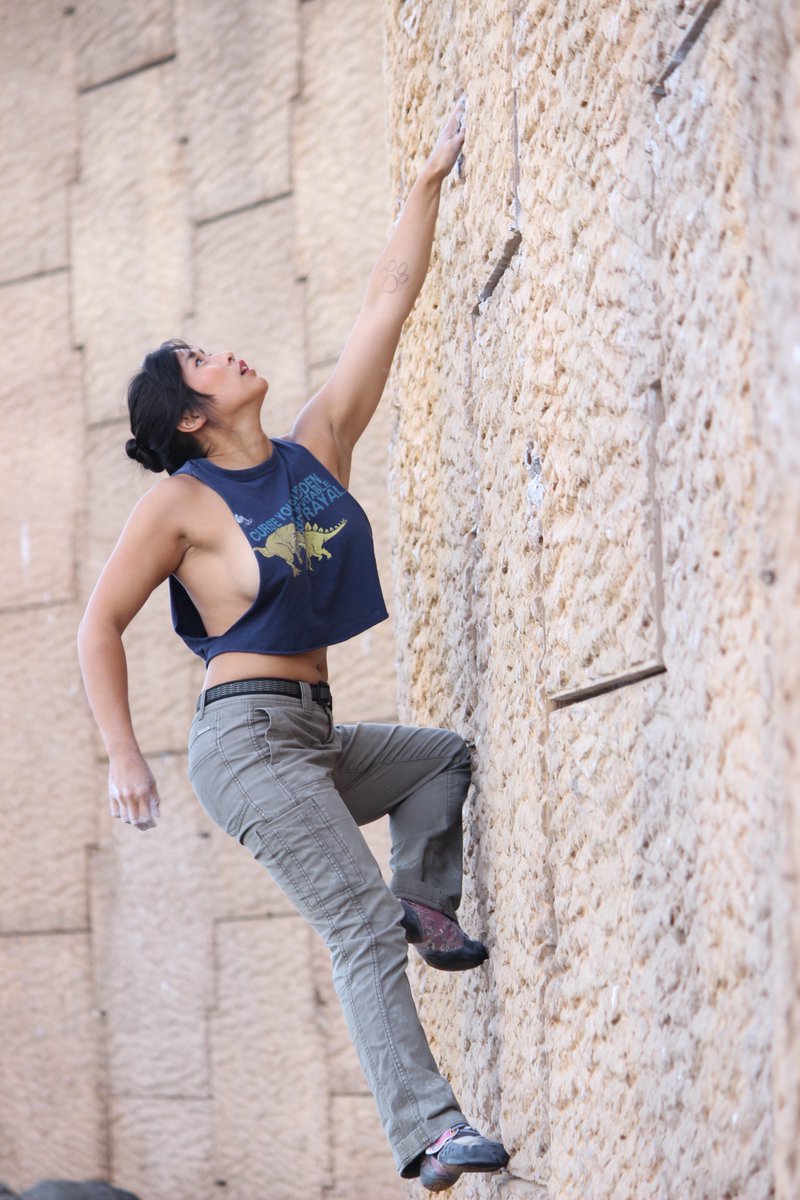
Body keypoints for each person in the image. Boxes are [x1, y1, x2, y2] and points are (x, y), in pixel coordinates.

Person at [77, 97, 510, 1193]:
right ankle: (429, 1134)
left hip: (309, 736)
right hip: (246, 744)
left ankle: (425, 901)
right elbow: (98, 624)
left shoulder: (316, 446)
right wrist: (124, 756)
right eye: (204, 361)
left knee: (441, 761)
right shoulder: (182, 502)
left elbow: (386, 301)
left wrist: (427, 181)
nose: (227, 353)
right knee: (355, 924)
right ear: (189, 414)